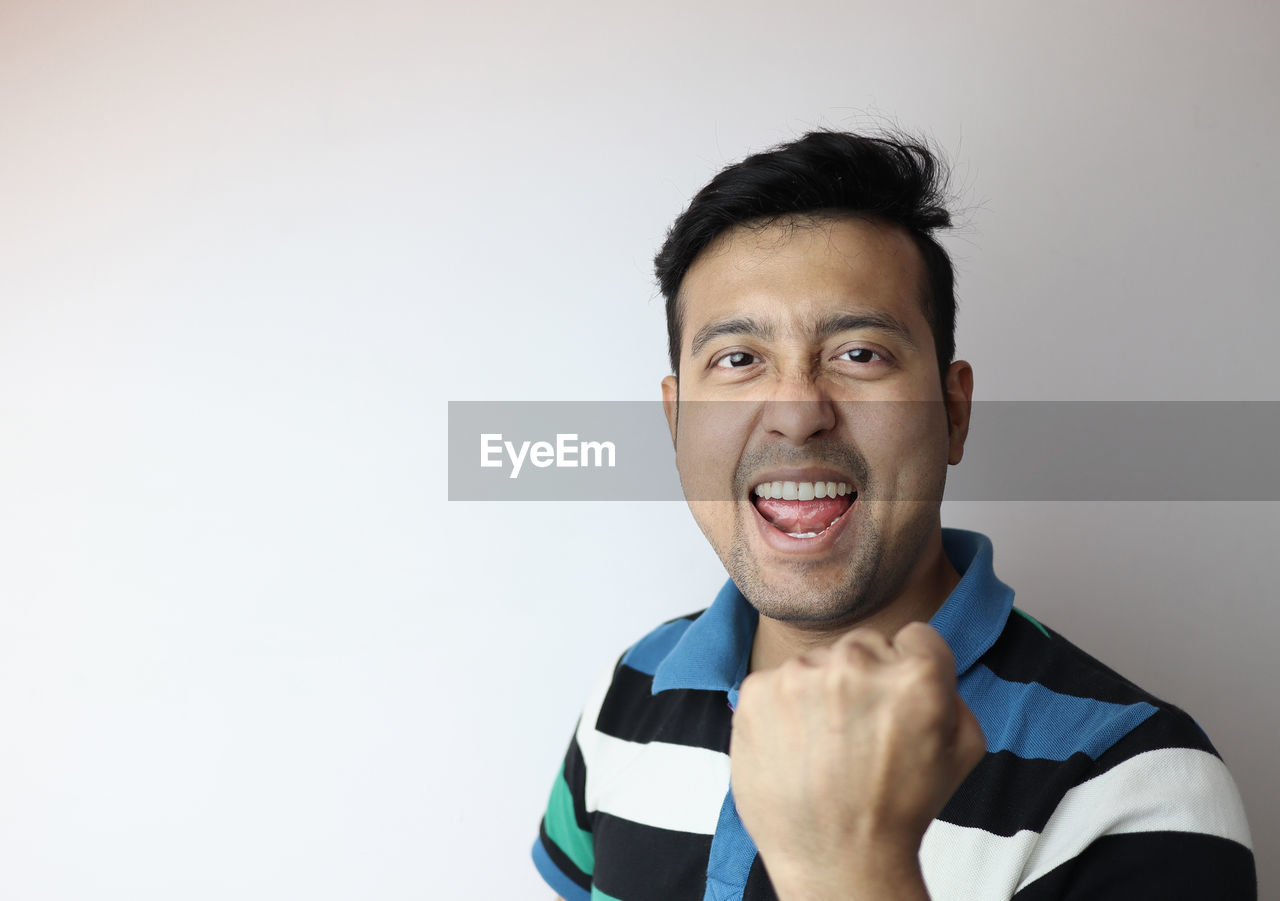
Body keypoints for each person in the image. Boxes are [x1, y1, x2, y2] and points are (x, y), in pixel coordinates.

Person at [530, 131, 1256, 900]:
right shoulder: (628, 694)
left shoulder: (1137, 785)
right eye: (738, 359)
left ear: (954, 410)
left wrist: (852, 865)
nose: (798, 412)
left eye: (859, 353)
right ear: (675, 423)